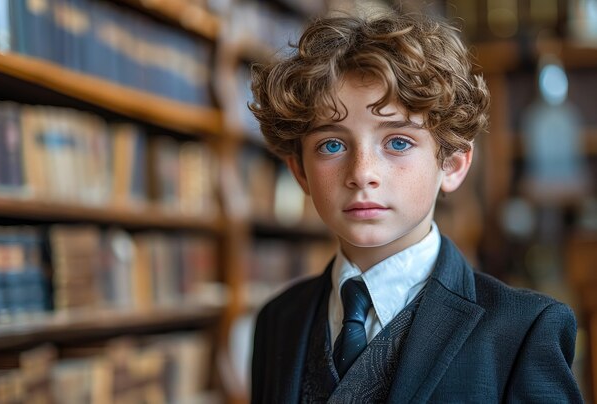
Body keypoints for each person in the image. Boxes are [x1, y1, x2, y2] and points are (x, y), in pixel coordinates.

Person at [248, 10, 583, 404]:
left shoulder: (524, 330)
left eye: (399, 142)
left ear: (452, 165)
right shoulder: (277, 320)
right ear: (300, 172)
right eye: (332, 145)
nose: (363, 174)